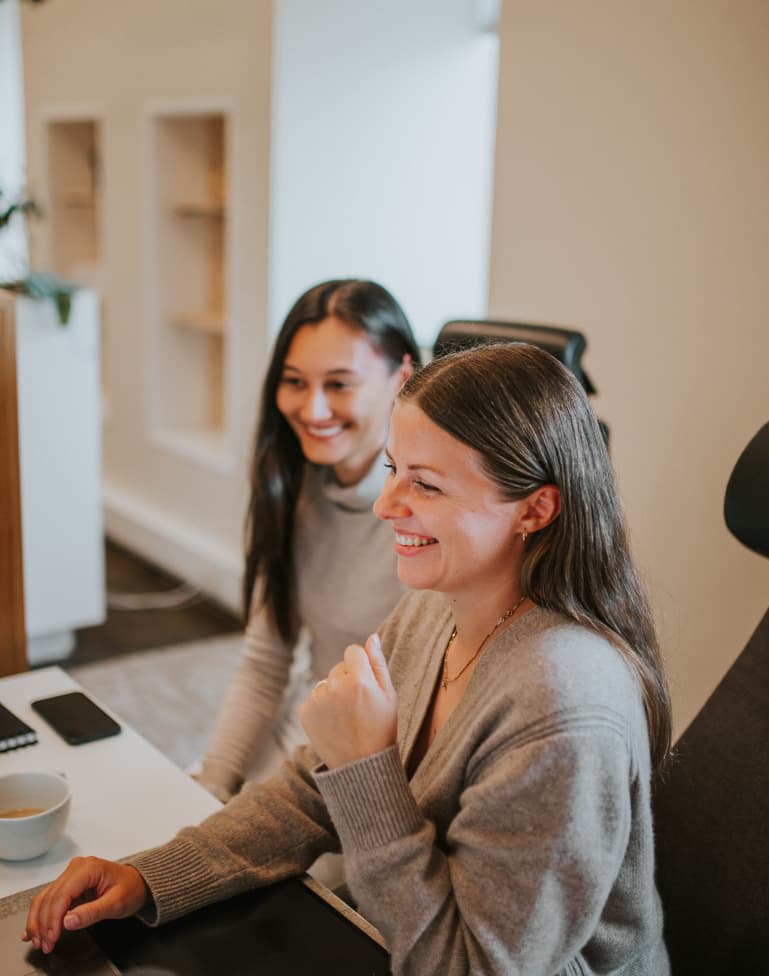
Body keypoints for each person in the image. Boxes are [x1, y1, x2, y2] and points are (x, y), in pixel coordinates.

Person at [24, 343, 672, 975]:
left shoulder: (562, 706)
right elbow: (315, 788)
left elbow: (470, 964)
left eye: (426, 484)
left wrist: (367, 769)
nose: (385, 505)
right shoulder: (437, 607)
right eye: (393, 468)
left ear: (535, 508)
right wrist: (151, 876)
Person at [195, 278, 420, 803]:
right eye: (294, 381)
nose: (313, 410)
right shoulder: (292, 485)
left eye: (339, 384)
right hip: (299, 737)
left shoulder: (431, 515)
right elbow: (264, 663)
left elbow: (421, 714)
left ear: (402, 378)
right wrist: (212, 784)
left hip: (376, 767)